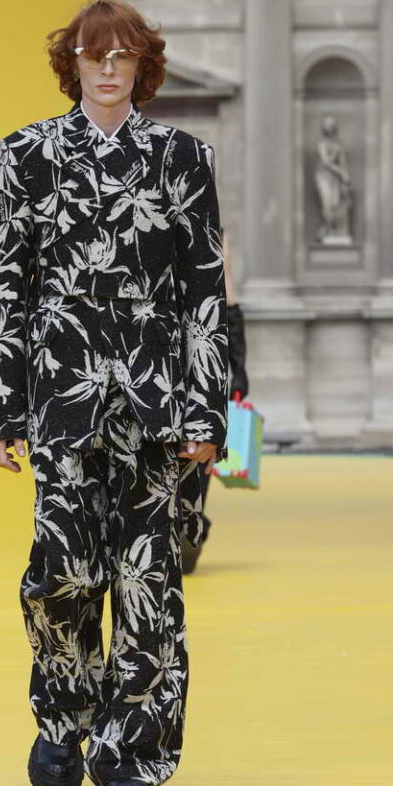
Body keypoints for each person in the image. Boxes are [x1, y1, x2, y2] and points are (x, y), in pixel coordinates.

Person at [0, 0, 229, 786]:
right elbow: (7, 287)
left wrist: (208, 410)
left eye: (123, 55)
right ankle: (64, 716)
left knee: (148, 582)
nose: (109, 68)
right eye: (94, 54)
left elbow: (202, 292)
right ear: (73, 64)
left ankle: (132, 756)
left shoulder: (184, 159)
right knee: (62, 573)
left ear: (143, 65)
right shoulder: (25, 156)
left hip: (157, 406)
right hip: (61, 398)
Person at [180, 226, 249, 574]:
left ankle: (187, 532)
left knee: (198, 455)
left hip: (198, 371)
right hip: (198, 368)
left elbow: (229, 302)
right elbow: (229, 302)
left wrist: (238, 370)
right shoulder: (204, 236)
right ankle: (187, 530)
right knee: (196, 457)